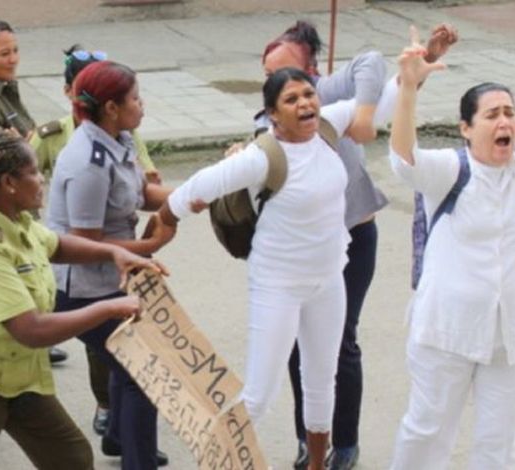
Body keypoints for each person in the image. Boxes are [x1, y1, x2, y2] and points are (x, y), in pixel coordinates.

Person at [154, 50, 414, 467]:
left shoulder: (332, 125)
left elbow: (388, 95)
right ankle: (216, 458)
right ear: (273, 116)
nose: (305, 104)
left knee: (320, 383)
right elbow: (200, 186)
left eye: (308, 94)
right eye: (291, 100)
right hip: (277, 284)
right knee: (259, 395)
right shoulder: (263, 156)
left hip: (328, 280)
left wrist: (419, 66)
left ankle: (316, 464)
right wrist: (162, 226)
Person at [259, 21, 458, 469]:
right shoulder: (270, 117)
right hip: (302, 248)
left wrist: (417, 63)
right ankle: (307, 441)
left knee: (339, 340)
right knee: (296, 343)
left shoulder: (329, 100)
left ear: (313, 75)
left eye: (287, 73)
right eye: (268, 75)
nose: (276, 85)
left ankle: (344, 444)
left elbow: (379, 71)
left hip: (354, 238)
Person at [0, 126, 164, 470]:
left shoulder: (13, 219)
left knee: (71, 459)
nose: (42, 179)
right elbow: (30, 329)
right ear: (8, 183)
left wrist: (113, 253)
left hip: (15, 372)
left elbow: (56, 245)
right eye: (34, 171)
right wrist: (109, 307)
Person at [388, 28, 515, 470]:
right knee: (427, 435)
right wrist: (408, 87)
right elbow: (403, 157)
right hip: (448, 332)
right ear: (466, 128)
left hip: (512, 334)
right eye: (492, 115)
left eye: (510, 113)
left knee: (501, 446)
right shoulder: (449, 171)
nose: (505, 122)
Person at [47, 60, 173, 469]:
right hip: (80, 288)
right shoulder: (89, 163)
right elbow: (84, 245)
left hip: (109, 279)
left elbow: (142, 195)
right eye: (135, 98)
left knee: (125, 356)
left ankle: (120, 438)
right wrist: (151, 243)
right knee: (142, 369)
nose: (143, 105)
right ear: (111, 107)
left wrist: (201, 193)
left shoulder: (117, 140)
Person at [0, 19, 69, 364]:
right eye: (4, 53)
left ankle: (38, 333)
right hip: (5, 204)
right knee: (20, 272)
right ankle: (27, 336)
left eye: (15, 50)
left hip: (20, 198)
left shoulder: (2, 89)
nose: (13, 59)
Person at [33, 44, 160, 184]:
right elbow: (19, 183)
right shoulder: (52, 137)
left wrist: (146, 182)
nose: (94, 95)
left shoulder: (125, 134)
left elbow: (148, 176)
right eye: (84, 88)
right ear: (68, 90)